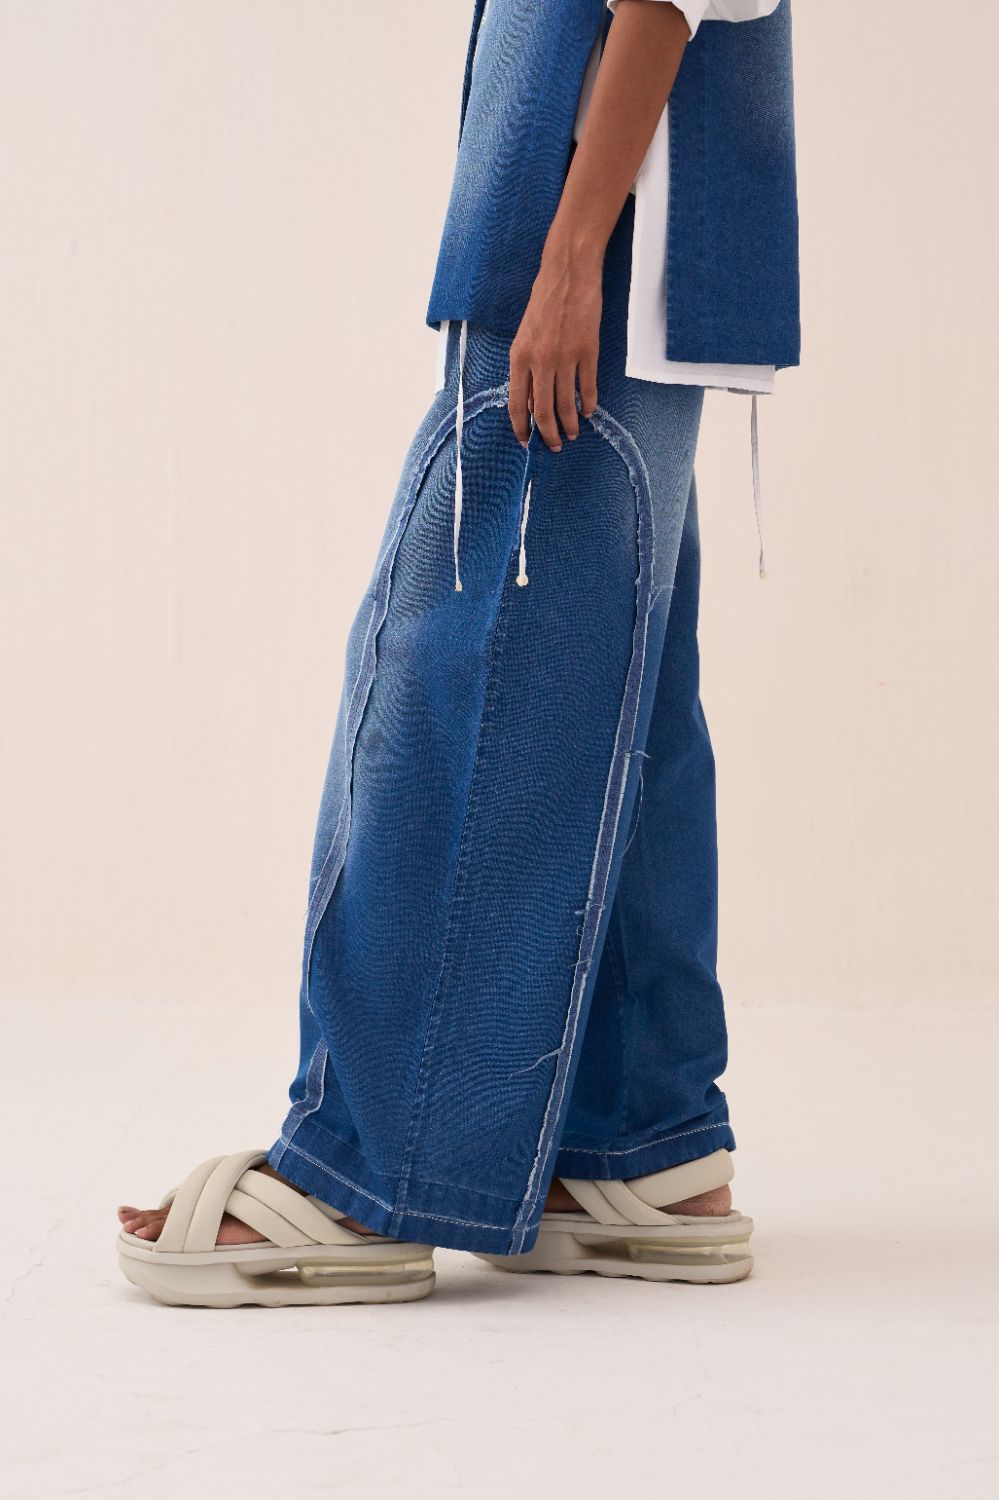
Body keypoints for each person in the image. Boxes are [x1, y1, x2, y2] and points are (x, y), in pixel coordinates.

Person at [116, 0, 799, 1308]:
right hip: (629, 252)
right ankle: (642, 1149)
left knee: (465, 689)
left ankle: (370, 1172)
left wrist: (570, 259)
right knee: (628, 710)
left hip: (589, 256)